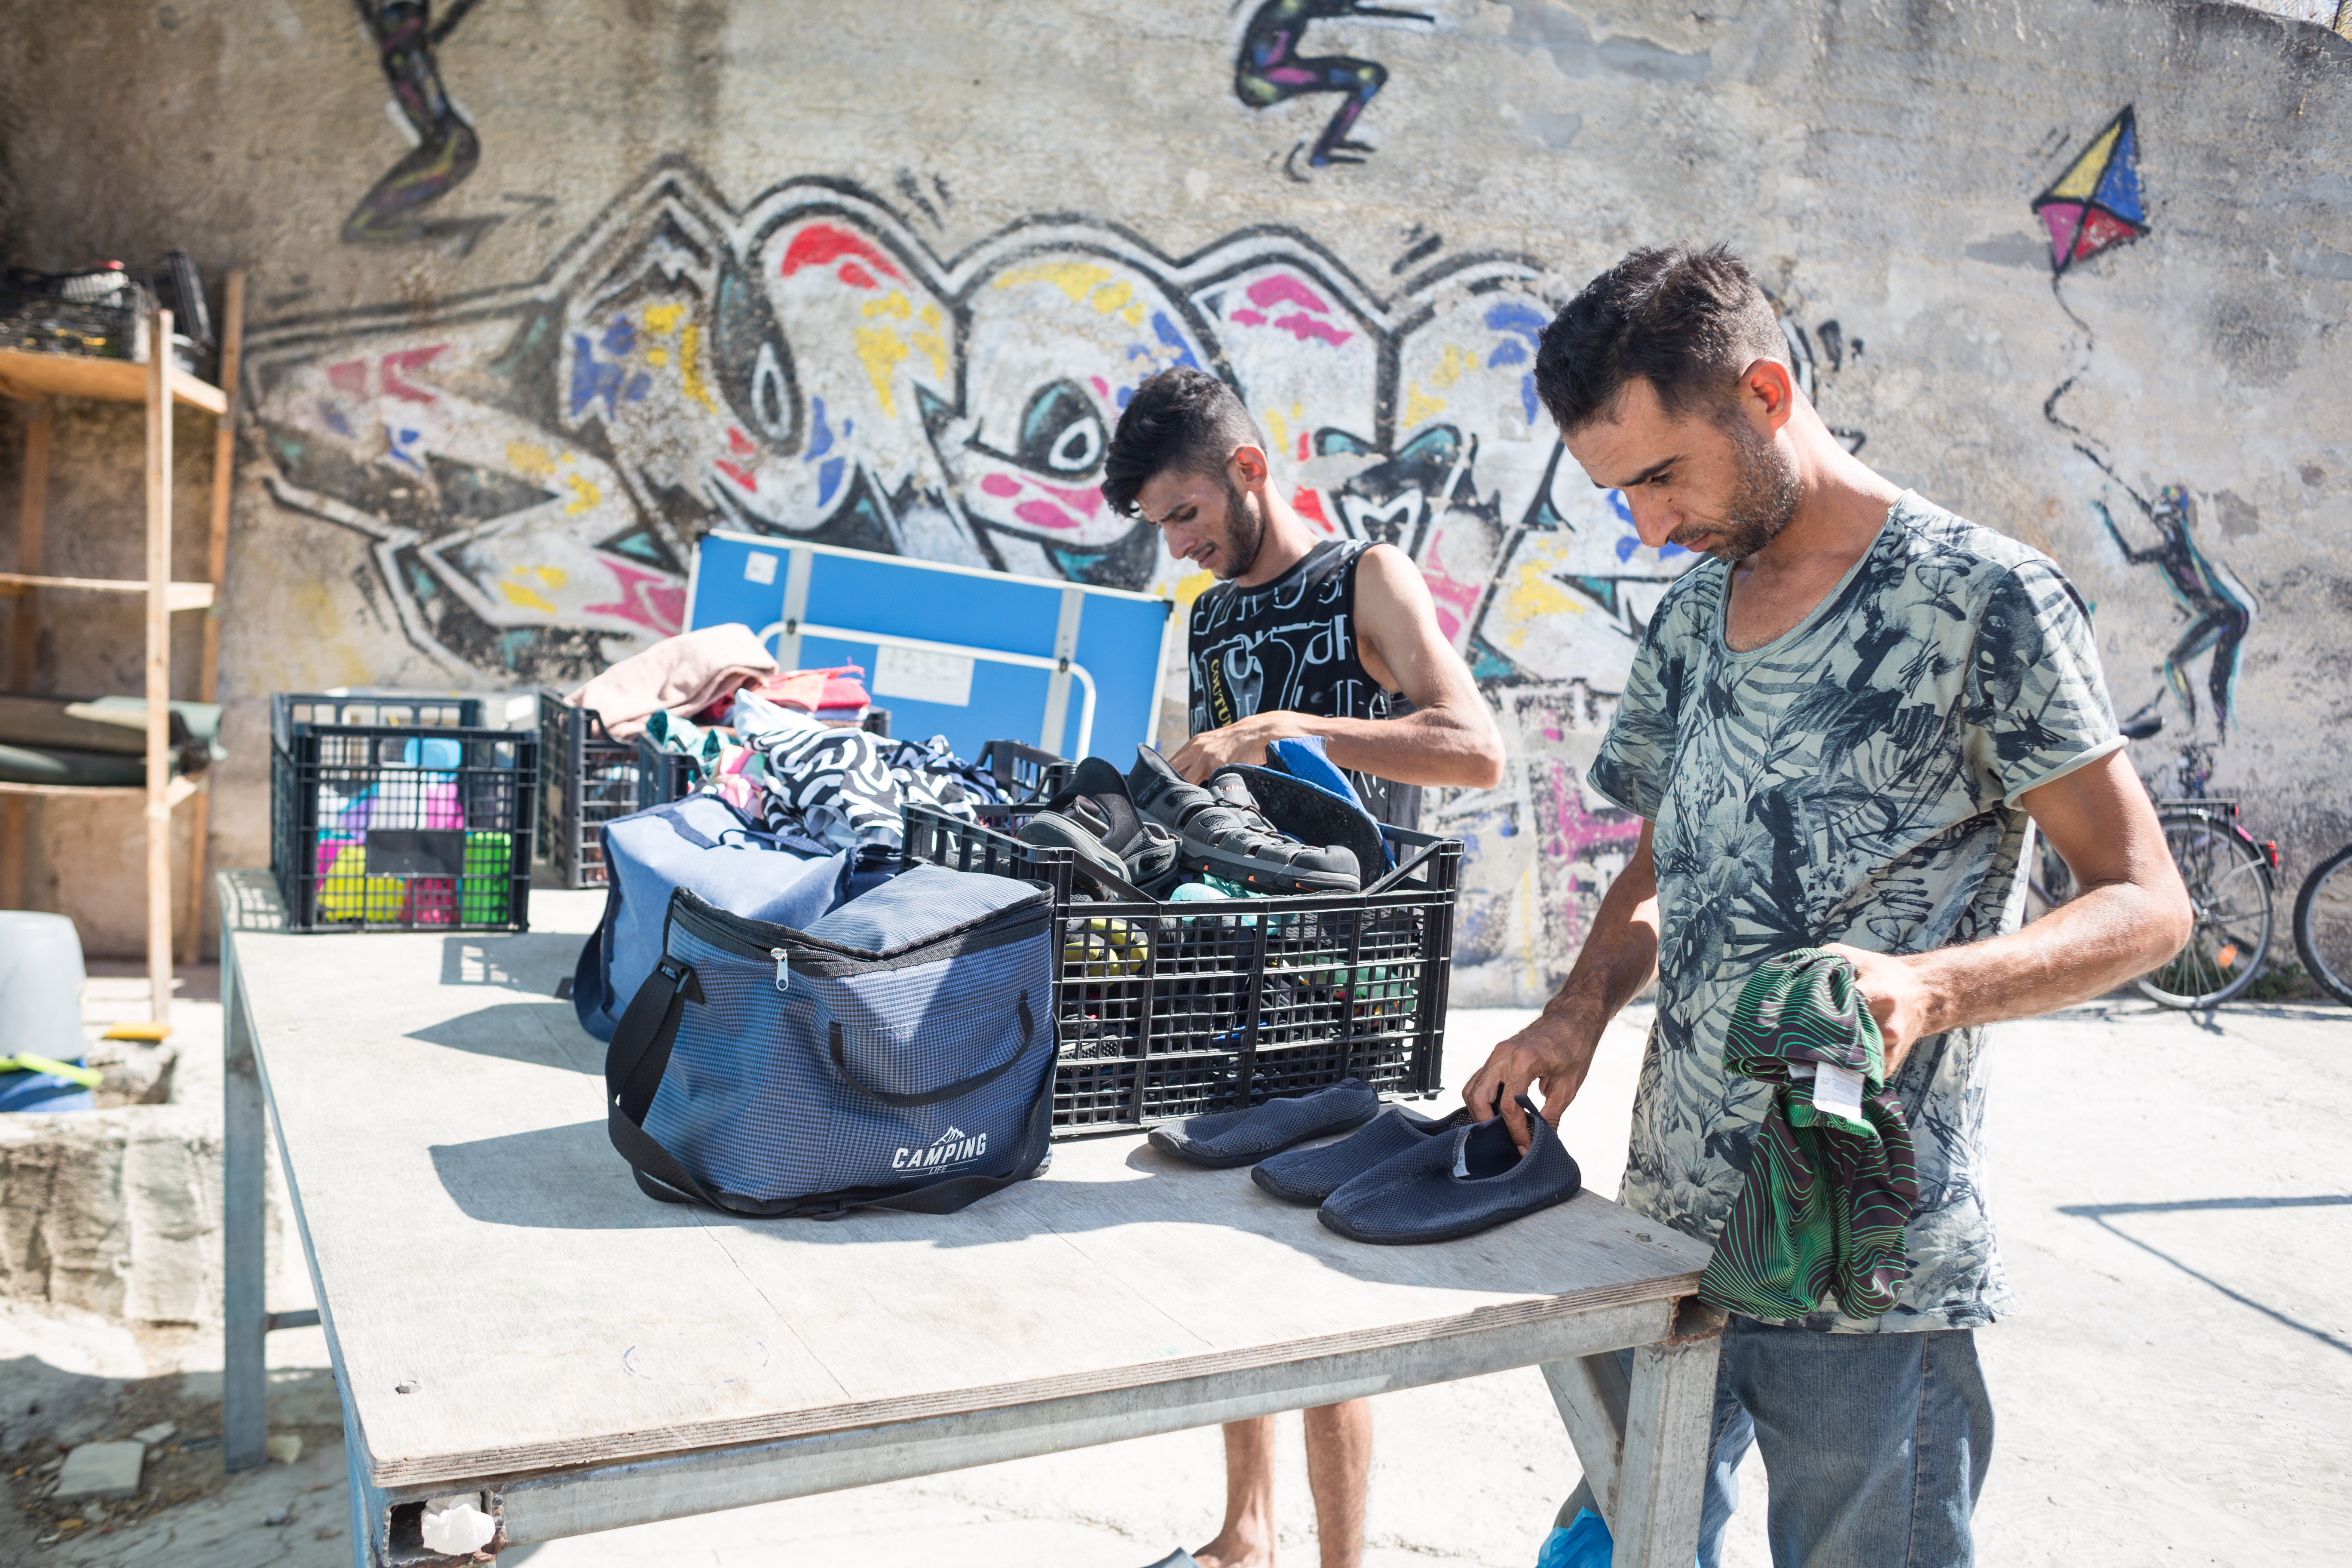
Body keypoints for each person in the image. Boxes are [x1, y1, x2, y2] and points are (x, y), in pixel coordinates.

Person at [1461, 244, 2193, 1568]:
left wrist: (1934, 987)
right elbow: (1660, 863)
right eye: (1620, 494)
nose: (1648, 525)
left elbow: (2148, 904)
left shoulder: (1985, 600)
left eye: (1662, 476)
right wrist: (1575, 1013)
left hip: (1861, 1257)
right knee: (1627, 1539)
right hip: (1666, 1222)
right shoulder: (1693, 611)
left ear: (1764, 392)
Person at [1102, 365, 1504, 1568]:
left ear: (1248, 471)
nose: (1179, 546)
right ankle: (1245, 1535)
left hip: (1356, 983)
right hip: (1235, 979)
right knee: (1230, 1263)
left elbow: (1473, 749)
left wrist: (1293, 729)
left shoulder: (1362, 578)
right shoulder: (1212, 616)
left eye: (1185, 514)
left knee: (1323, 1286)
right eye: (1158, 528)